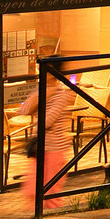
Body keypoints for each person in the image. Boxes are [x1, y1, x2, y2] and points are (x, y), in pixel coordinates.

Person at [19, 45, 75, 210]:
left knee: (51, 192)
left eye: (44, 69)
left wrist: (45, 97)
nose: (40, 73)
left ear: (52, 73)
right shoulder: (41, 91)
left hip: (55, 148)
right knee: (31, 190)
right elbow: (24, 109)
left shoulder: (61, 95)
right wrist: (42, 95)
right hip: (40, 147)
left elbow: (47, 121)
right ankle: (36, 218)